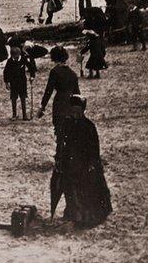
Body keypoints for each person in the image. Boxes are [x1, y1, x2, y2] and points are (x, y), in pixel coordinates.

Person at [52, 95, 113, 227]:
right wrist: (59, 158)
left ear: (83, 111)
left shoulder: (89, 126)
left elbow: (94, 147)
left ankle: (87, 215)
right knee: (70, 188)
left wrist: (92, 162)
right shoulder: (66, 124)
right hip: (70, 161)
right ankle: (73, 212)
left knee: (86, 189)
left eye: (78, 112)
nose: (75, 115)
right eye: (73, 112)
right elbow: (61, 142)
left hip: (85, 162)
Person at [38, 46, 81, 138]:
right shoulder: (73, 73)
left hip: (60, 101)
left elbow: (48, 90)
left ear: (54, 58)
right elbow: (77, 93)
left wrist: (42, 106)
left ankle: (60, 151)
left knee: (59, 127)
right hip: (71, 102)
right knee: (69, 128)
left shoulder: (54, 71)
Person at [3, 45, 34, 120]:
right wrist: (6, 82)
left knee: (23, 98)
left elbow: (31, 67)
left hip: (22, 82)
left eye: (17, 56)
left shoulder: (23, 59)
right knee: (13, 98)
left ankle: (24, 115)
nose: (15, 58)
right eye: (14, 56)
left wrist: (32, 76)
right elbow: (5, 72)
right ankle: (14, 115)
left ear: (19, 54)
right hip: (13, 83)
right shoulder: (10, 61)